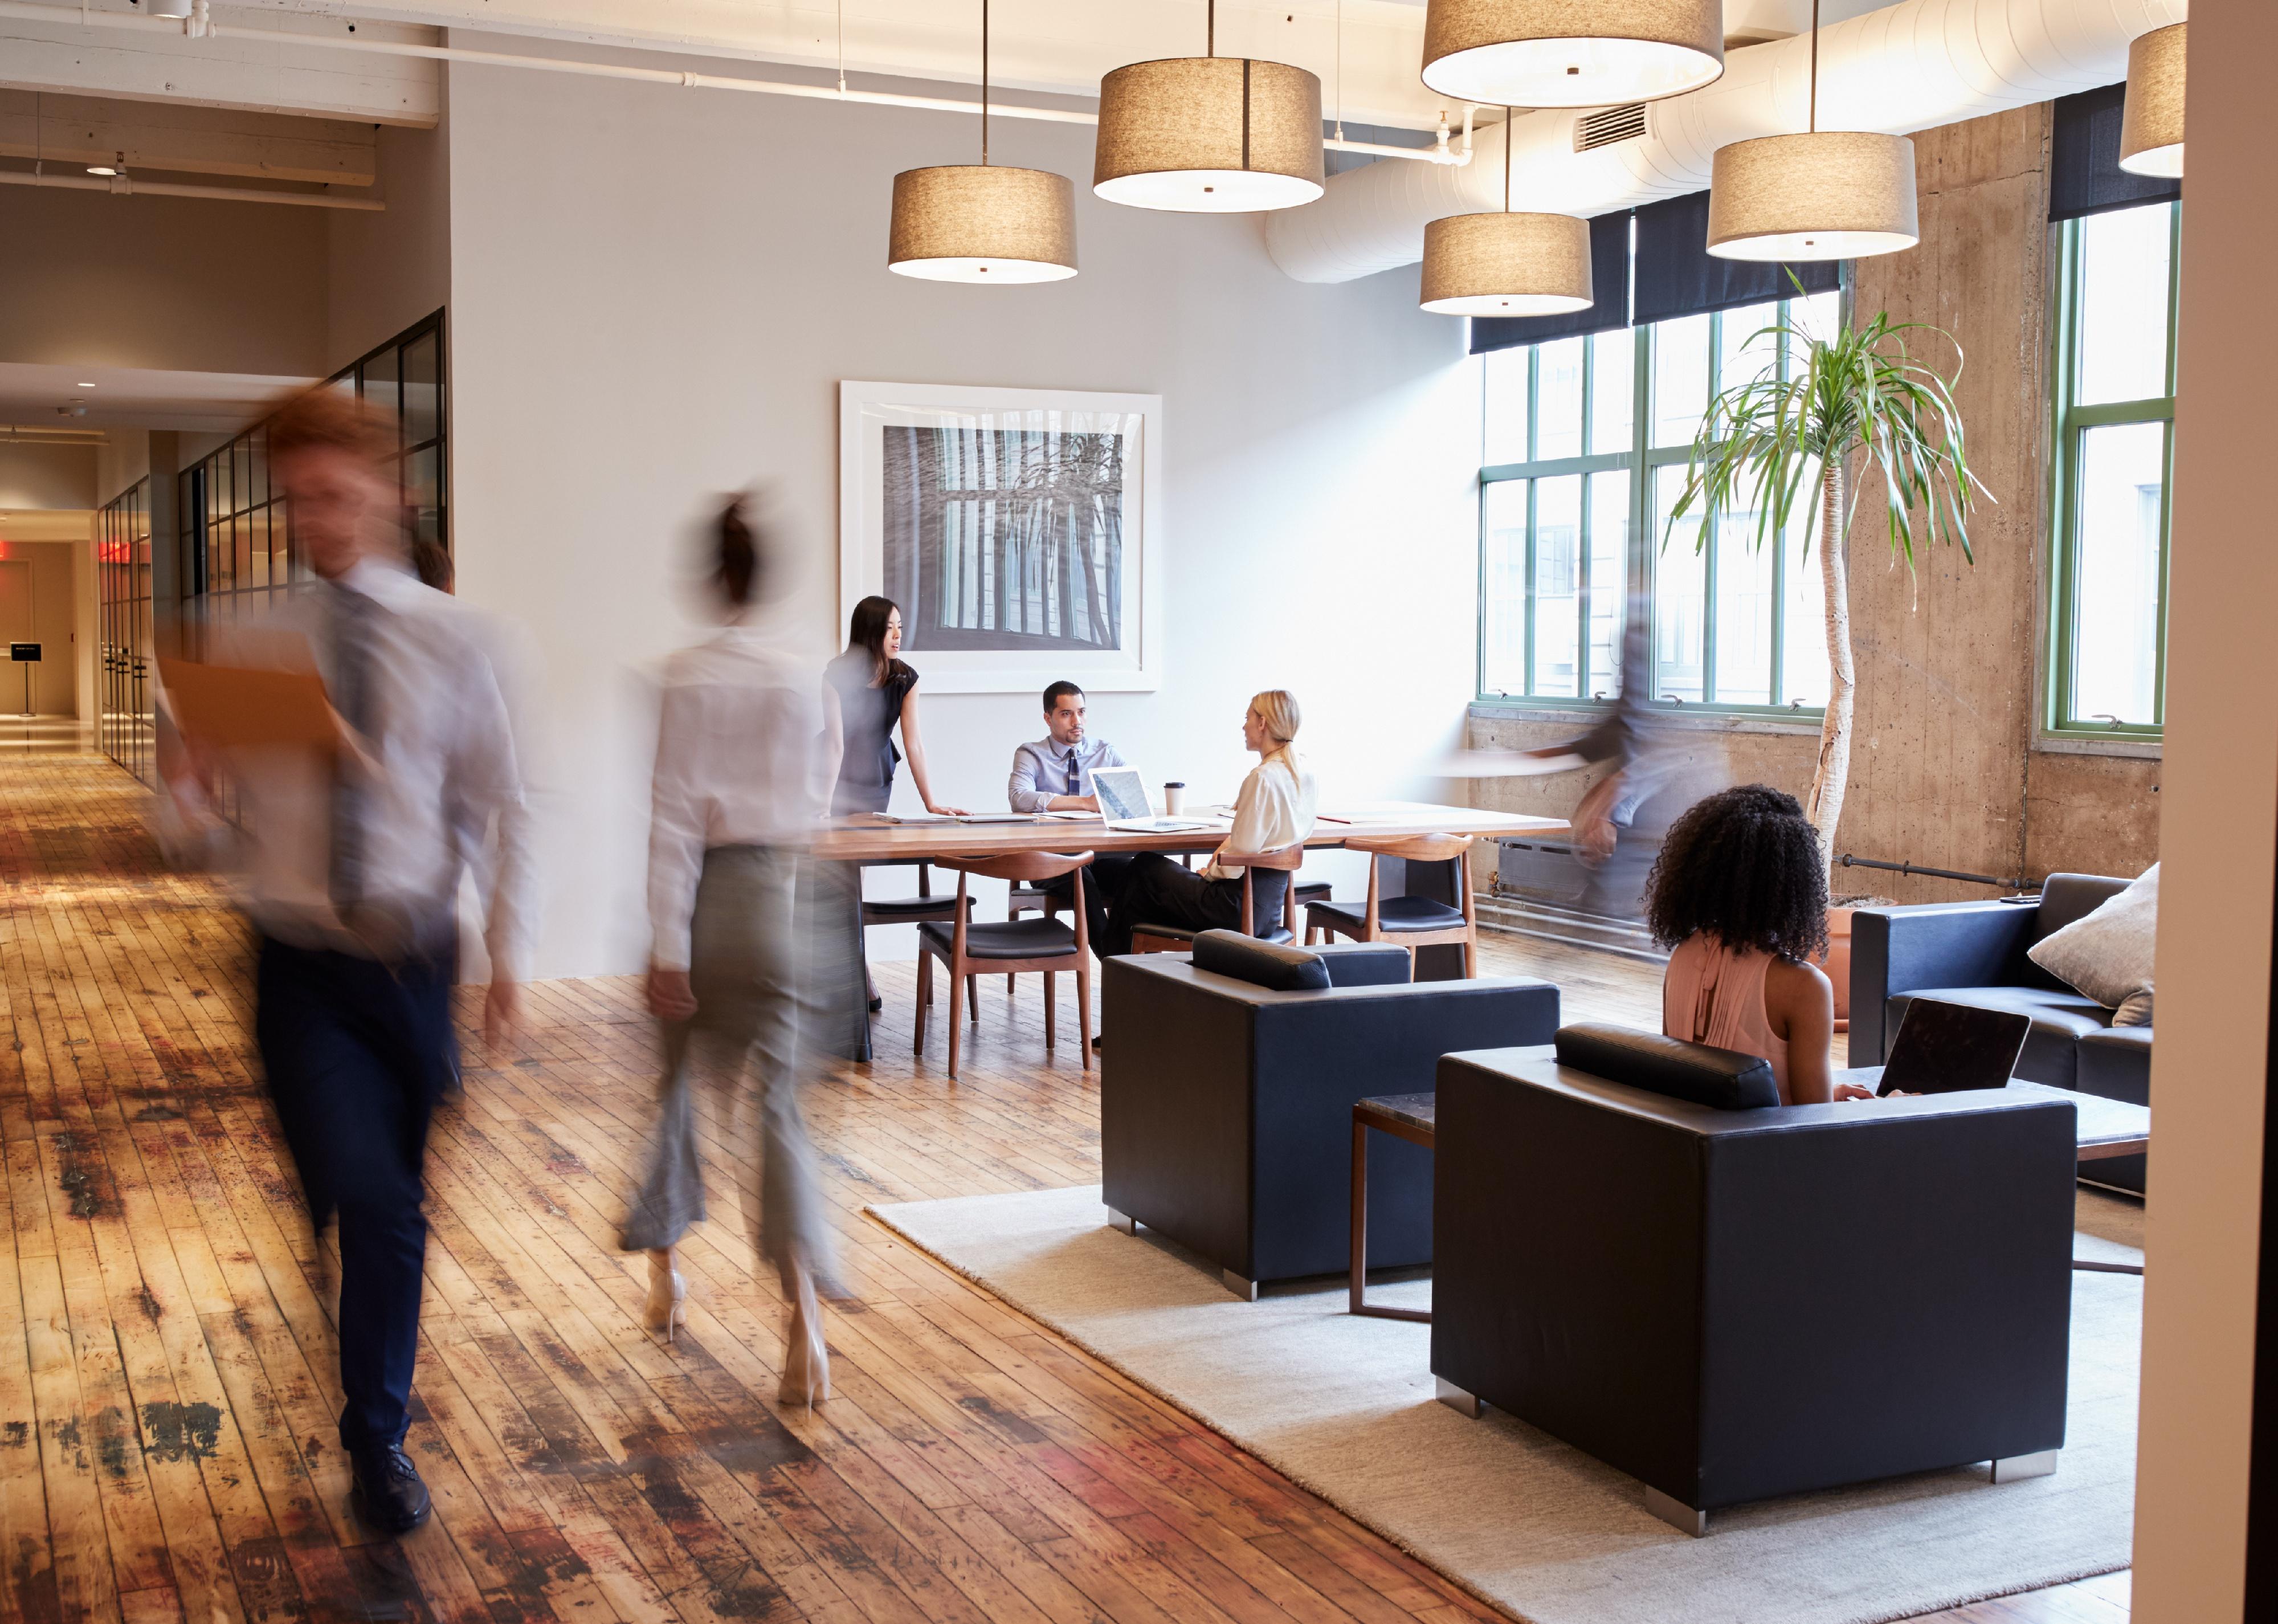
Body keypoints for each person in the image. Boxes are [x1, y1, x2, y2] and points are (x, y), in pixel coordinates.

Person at [161, 386, 536, 1536]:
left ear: (386, 491)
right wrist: (184, 787)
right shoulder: (246, 632)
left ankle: (367, 1348)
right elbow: (192, 835)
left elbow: (497, 803)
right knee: (372, 1199)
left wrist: (509, 953)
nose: (314, 516)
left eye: (334, 492)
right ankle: (378, 1440)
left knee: (384, 1205)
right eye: (297, 497)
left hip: (414, 965)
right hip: (300, 962)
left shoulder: (457, 636)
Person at [627, 495, 844, 1409]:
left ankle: (666, 1278)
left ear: (712, 577)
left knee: (676, 1089)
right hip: (786, 903)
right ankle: (804, 1329)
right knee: (779, 1112)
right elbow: (821, 793)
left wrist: (665, 944)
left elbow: (674, 817)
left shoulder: (683, 676)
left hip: (713, 901)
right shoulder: (806, 680)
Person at [1644, 784, 1873, 1106]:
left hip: (1695, 1148)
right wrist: (1892, 1106)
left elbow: (1699, 1086)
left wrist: (1829, 1094)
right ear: (1796, 883)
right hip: (1767, 1153)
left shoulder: (1683, 956)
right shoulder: (1803, 987)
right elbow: (1816, 1123)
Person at [1100, 691, 1317, 958]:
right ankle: (1128, 967)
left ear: (1262, 723)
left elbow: (1240, 853)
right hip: (1267, 911)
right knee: (1143, 893)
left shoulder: (1263, 778)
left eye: (1247, 717)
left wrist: (1210, 873)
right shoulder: (1302, 772)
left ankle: (1113, 960)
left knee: (1144, 865)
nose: (1244, 726)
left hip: (1234, 909)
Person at [1009, 680, 1134, 939]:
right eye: (1067, 714)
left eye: (1082, 712)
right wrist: (1086, 803)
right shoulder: (1031, 754)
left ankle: (1137, 959)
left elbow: (1135, 795)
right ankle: (1115, 961)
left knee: (1141, 873)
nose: (1077, 721)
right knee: (1081, 879)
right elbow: (1019, 798)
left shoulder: (1105, 753)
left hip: (1098, 855)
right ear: (1048, 718)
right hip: (1049, 859)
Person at [825, 595, 966, 817]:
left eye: (899, 627)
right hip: (833, 776)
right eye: (889, 628)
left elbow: (914, 745)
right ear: (869, 632)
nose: (898, 635)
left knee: (870, 844)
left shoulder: (906, 679)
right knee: (833, 843)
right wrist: (824, 805)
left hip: (876, 775)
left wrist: (931, 804)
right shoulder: (836, 675)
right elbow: (835, 745)